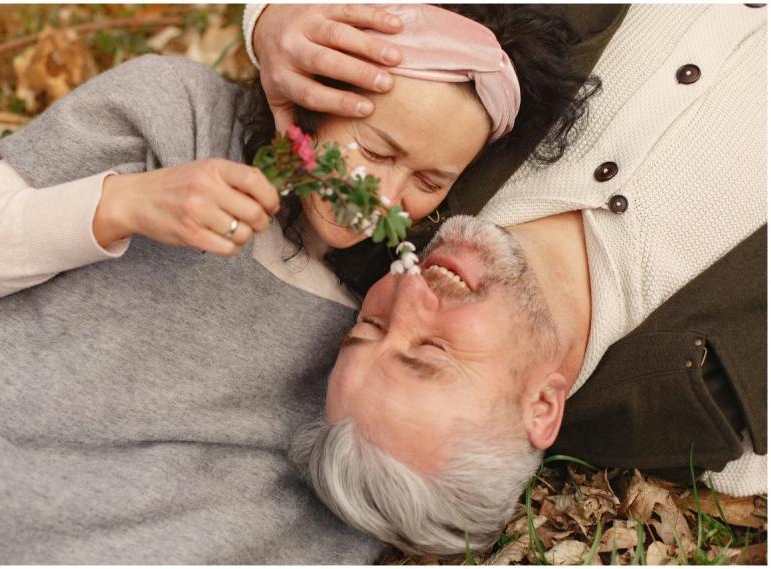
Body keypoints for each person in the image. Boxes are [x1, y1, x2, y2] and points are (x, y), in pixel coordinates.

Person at [0, 5, 597, 563]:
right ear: (310, 97)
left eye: (428, 182)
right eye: (376, 150)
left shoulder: (372, 325)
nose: (384, 196)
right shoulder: (176, 116)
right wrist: (121, 205)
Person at [285, 3, 768, 557]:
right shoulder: (727, 412)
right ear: (541, 406)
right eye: (432, 349)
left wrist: (275, 20)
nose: (409, 289)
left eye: (368, 325)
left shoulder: (398, 181)